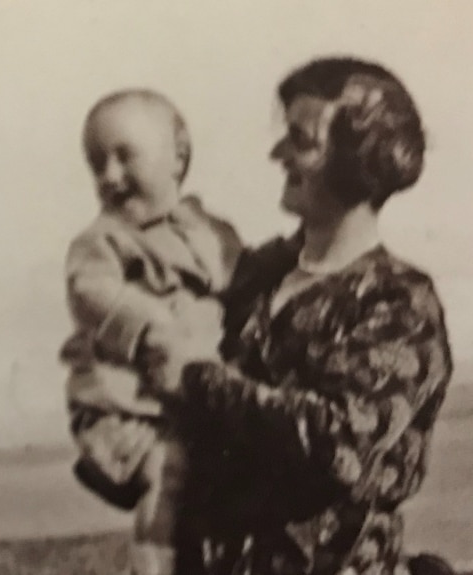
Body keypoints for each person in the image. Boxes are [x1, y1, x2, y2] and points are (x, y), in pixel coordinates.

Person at [137, 57, 455, 575]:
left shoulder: (398, 301)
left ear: (359, 160)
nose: (277, 153)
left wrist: (196, 380)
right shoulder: (258, 280)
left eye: (301, 140)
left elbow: (339, 446)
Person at [58, 88, 242, 575]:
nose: (109, 176)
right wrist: (153, 325)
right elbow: (91, 292)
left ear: (178, 158)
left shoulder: (214, 233)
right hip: (127, 405)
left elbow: (243, 288)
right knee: (168, 472)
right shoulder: (102, 241)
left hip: (188, 400)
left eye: (124, 156)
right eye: (97, 163)